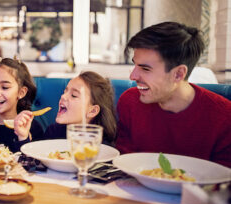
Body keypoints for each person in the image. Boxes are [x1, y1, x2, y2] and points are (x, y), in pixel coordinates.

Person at [116, 22, 231, 168]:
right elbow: (124, 164)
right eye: (135, 65)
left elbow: (222, 184)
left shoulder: (225, 118)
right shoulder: (130, 101)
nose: (133, 76)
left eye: (145, 69)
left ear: (178, 74)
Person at [36, 71, 117, 145]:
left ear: (92, 111)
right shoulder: (53, 132)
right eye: (65, 92)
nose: (63, 96)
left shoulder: (102, 146)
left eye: (74, 95)